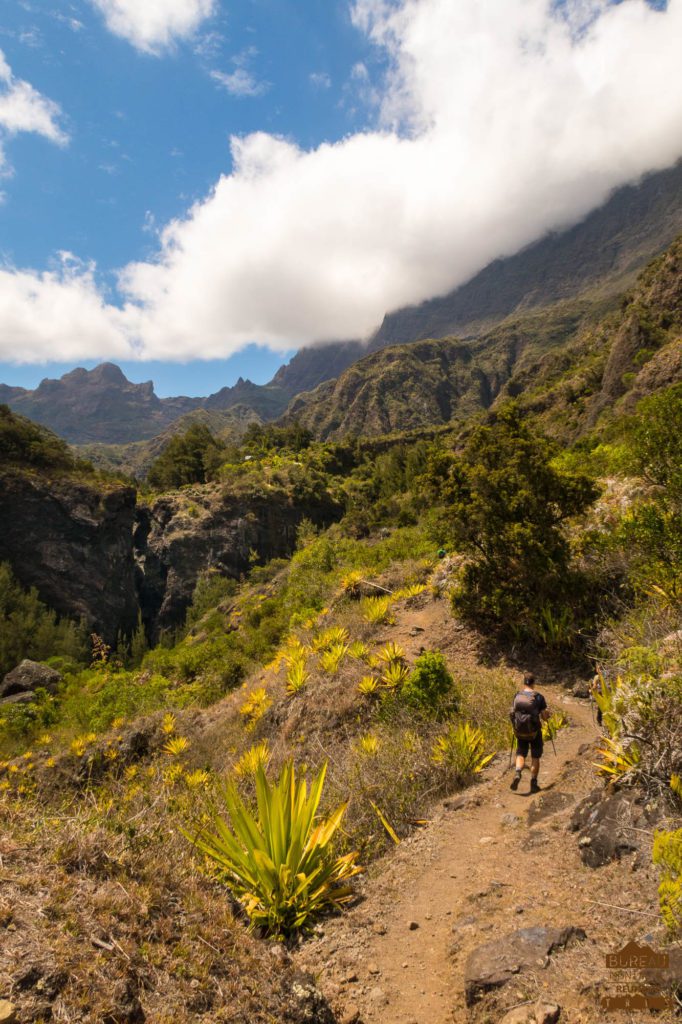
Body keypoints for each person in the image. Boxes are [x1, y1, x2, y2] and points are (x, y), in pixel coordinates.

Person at [509, 671, 551, 793]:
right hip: (534, 732)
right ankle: (533, 783)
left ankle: (517, 772)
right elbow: (544, 717)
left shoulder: (517, 695)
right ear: (533, 683)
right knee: (535, 756)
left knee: (521, 753)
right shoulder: (538, 697)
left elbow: (514, 712)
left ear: (524, 682)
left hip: (520, 731)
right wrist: (548, 715)